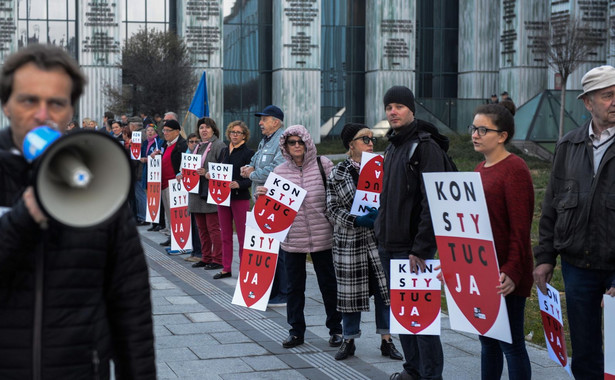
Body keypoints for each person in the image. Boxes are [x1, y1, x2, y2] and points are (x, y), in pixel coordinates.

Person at [0, 44, 155, 378]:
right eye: (28, 100)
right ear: (6, 105)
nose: (42, 114)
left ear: (69, 110)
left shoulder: (100, 177)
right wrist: (22, 221)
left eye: (56, 102)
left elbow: (132, 308)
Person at [534, 65, 615, 379]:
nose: (614, 102)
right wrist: (544, 259)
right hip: (577, 267)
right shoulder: (569, 146)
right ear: (588, 103)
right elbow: (551, 208)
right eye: (608, 96)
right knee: (585, 352)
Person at [375, 86, 452, 380]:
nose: (392, 111)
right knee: (403, 316)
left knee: (422, 319)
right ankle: (413, 370)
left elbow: (433, 202)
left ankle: (431, 375)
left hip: (412, 249)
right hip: (388, 244)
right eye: (389, 107)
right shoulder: (394, 145)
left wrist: (421, 248)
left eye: (398, 106)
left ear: (411, 109)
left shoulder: (425, 146)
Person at [255, 125, 343, 349]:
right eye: (291, 142)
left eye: (299, 142)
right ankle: (296, 331)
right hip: (293, 238)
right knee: (295, 288)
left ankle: (336, 330)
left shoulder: (324, 165)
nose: (296, 146)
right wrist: (261, 197)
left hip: (323, 236)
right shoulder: (280, 172)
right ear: (285, 146)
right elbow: (270, 210)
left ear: (307, 143)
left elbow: (337, 195)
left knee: (329, 285)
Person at [326, 123, 403, 361]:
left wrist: (384, 217)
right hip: (350, 242)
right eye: (365, 139)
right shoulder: (337, 173)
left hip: (379, 241)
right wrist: (356, 220)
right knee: (350, 296)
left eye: (372, 139)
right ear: (351, 145)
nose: (371, 144)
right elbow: (331, 210)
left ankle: (387, 340)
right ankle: (348, 340)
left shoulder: (384, 168)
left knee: (385, 293)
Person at [470, 104, 534, 379]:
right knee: (487, 341)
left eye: (483, 129)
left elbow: (521, 229)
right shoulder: (479, 168)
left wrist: (512, 270)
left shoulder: (515, 169)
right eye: (474, 128)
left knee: (511, 344)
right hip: (481, 270)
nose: (475, 134)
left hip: (506, 275)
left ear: (502, 135)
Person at [240, 105, 287, 306]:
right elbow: (255, 160)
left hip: (274, 203)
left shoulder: (282, 140)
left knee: (280, 248)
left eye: (264, 119)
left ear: (275, 122)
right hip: (260, 201)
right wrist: (247, 168)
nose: (260, 123)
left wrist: (251, 174)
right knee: (268, 248)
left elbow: (277, 168)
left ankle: (284, 293)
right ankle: (272, 288)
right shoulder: (265, 140)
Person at [212, 121, 254, 279]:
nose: (235, 135)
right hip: (222, 198)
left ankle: (244, 269)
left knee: (243, 236)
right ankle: (226, 267)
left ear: (244, 135)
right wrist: (211, 175)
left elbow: (252, 178)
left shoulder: (249, 153)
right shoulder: (223, 151)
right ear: (228, 133)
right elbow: (219, 171)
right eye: (232, 132)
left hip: (240, 198)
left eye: (239, 132)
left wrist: (239, 184)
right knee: (225, 234)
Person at [185, 117, 225, 271]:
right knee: (201, 229)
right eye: (201, 127)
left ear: (213, 130)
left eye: (207, 127)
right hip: (196, 193)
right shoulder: (198, 146)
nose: (204, 130)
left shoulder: (218, 145)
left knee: (213, 229)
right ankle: (206, 257)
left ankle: (218, 259)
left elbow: (224, 169)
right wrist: (184, 173)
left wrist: (207, 172)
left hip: (210, 192)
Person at [153, 119, 188, 247]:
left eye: (168, 131)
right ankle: (172, 236)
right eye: (164, 130)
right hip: (164, 184)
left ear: (177, 131)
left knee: (175, 214)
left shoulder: (182, 145)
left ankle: (179, 238)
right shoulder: (166, 144)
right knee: (169, 213)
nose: (165, 133)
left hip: (174, 184)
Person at [183, 132, 202, 262]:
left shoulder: (201, 155)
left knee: (198, 225)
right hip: (189, 191)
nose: (194, 144)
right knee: (192, 222)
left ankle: (199, 253)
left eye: (197, 142)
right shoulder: (187, 154)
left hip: (199, 193)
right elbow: (182, 169)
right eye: (191, 142)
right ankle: (194, 251)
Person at [141, 124, 165, 232]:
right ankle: (153, 222)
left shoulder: (159, 142)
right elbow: (142, 155)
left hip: (156, 173)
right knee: (151, 198)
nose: (150, 132)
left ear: (155, 132)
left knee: (158, 198)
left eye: (152, 130)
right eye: (148, 130)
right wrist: (143, 159)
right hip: (147, 172)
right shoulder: (145, 143)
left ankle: (160, 223)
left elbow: (160, 154)